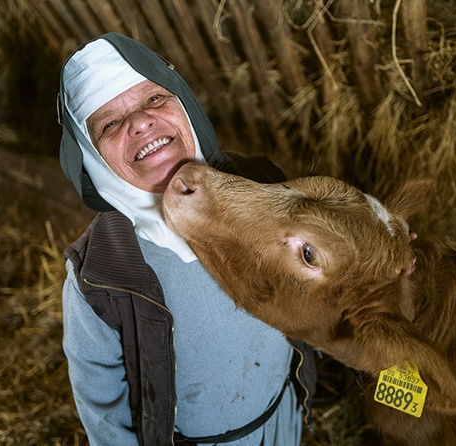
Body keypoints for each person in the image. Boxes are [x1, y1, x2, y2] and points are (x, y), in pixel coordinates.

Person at [57, 32, 317, 445]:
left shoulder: (262, 184)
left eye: (154, 99)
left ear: (185, 105)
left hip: (282, 417)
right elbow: (103, 412)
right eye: (109, 123)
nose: (141, 121)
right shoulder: (98, 277)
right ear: (93, 158)